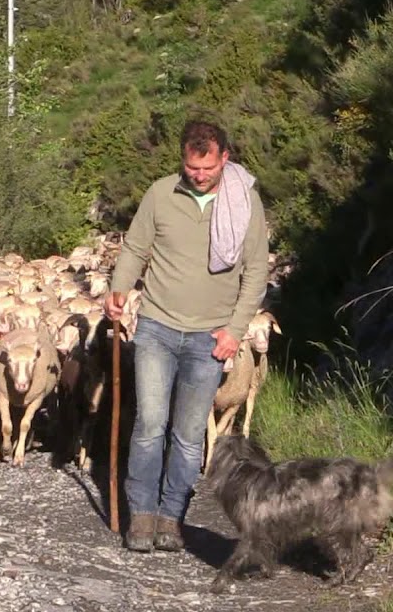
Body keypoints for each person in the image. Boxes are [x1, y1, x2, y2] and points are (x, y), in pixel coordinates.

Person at [104, 118, 270, 554]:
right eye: (192, 167)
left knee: (189, 433)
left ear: (224, 159)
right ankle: (141, 511)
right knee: (149, 423)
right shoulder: (161, 194)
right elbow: (136, 248)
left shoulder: (245, 203)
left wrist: (235, 332)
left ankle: (171, 515)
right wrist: (118, 288)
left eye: (207, 169)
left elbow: (256, 273)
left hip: (209, 336)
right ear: (183, 159)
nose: (198, 176)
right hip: (157, 325)